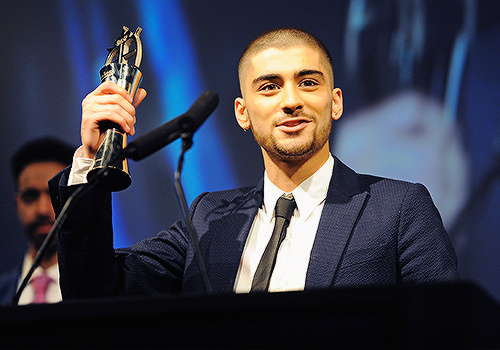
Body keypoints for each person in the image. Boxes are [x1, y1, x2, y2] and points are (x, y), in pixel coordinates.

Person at [49, 27, 460, 300]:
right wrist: (91, 158)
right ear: (243, 114)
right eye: (270, 86)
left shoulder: (399, 207)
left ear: (334, 103)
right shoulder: (209, 218)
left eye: (308, 82)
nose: (291, 100)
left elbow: (443, 329)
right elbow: (95, 292)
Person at [0, 137, 74, 305]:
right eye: (30, 196)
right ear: (17, 204)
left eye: (55, 195)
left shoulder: (102, 295)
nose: (43, 210)